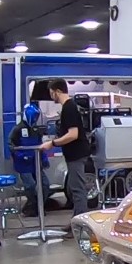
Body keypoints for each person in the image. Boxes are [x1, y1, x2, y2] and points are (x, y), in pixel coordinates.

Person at [40, 79, 91, 236]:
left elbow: (73, 134)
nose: (51, 97)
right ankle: (75, 221)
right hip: (73, 155)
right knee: (74, 189)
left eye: (51, 93)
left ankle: (81, 227)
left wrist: (53, 143)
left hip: (77, 154)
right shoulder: (68, 108)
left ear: (57, 91)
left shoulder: (69, 108)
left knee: (78, 190)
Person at [9, 103, 50, 217]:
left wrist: (44, 159)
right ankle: (33, 207)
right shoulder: (17, 129)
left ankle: (35, 207)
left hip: (36, 163)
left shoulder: (36, 130)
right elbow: (10, 145)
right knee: (30, 186)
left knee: (45, 185)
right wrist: (20, 156)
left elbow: (40, 145)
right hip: (23, 164)